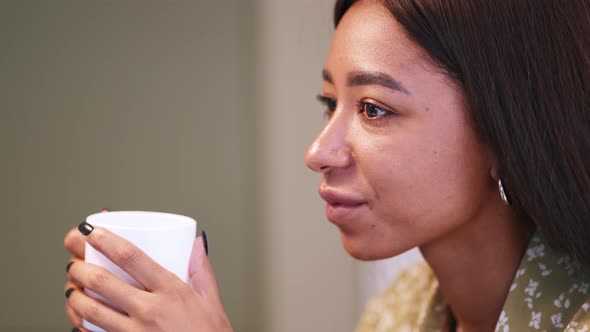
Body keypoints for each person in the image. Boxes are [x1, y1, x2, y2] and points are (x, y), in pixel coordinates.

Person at [64, 0, 590, 331]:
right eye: (329, 104)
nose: (317, 153)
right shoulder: (397, 314)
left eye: (374, 109)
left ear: (505, 134)